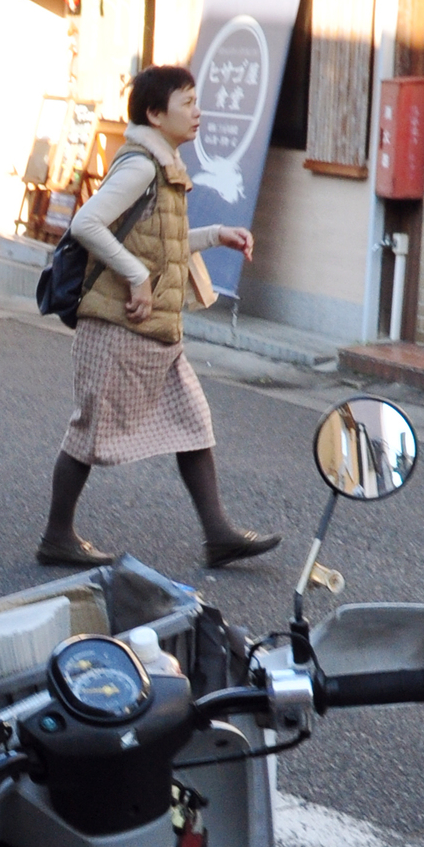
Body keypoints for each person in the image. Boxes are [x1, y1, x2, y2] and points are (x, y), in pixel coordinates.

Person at [36, 62, 280, 572]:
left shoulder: (163, 163)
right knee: (89, 429)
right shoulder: (142, 164)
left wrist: (217, 234)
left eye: (196, 101)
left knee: (193, 421)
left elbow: (162, 245)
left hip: (155, 331)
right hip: (117, 325)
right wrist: (135, 277)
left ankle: (218, 535)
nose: (198, 112)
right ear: (155, 112)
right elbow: (87, 223)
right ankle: (57, 536)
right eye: (187, 102)